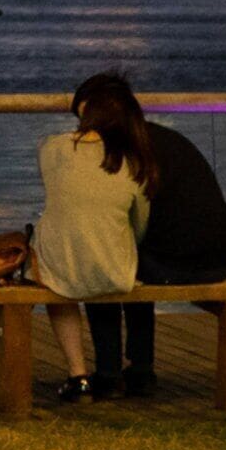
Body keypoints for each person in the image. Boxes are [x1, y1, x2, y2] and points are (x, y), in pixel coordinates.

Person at [98, 78, 226, 399]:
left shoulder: (124, 152)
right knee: (132, 259)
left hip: (176, 265)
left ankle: (108, 371)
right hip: (218, 261)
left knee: (104, 269)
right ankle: (141, 368)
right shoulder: (166, 140)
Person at [27, 72, 153, 403]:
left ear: (85, 110)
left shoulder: (53, 148)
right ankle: (131, 367)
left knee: (58, 276)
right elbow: (139, 226)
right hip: (116, 271)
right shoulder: (134, 161)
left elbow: (58, 194)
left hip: (60, 267)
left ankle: (78, 374)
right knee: (98, 257)